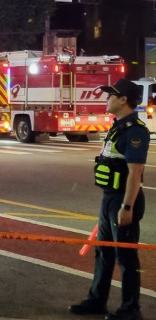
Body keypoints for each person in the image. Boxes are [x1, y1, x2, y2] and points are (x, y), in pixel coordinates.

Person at [69, 79, 149, 320]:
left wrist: (127, 207)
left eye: (111, 95)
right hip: (109, 198)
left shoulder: (135, 130)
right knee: (103, 252)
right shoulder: (118, 127)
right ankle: (96, 300)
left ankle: (130, 309)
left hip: (123, 199)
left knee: (126, 256)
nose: (107, 99)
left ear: (123, 99)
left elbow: (135, 172)